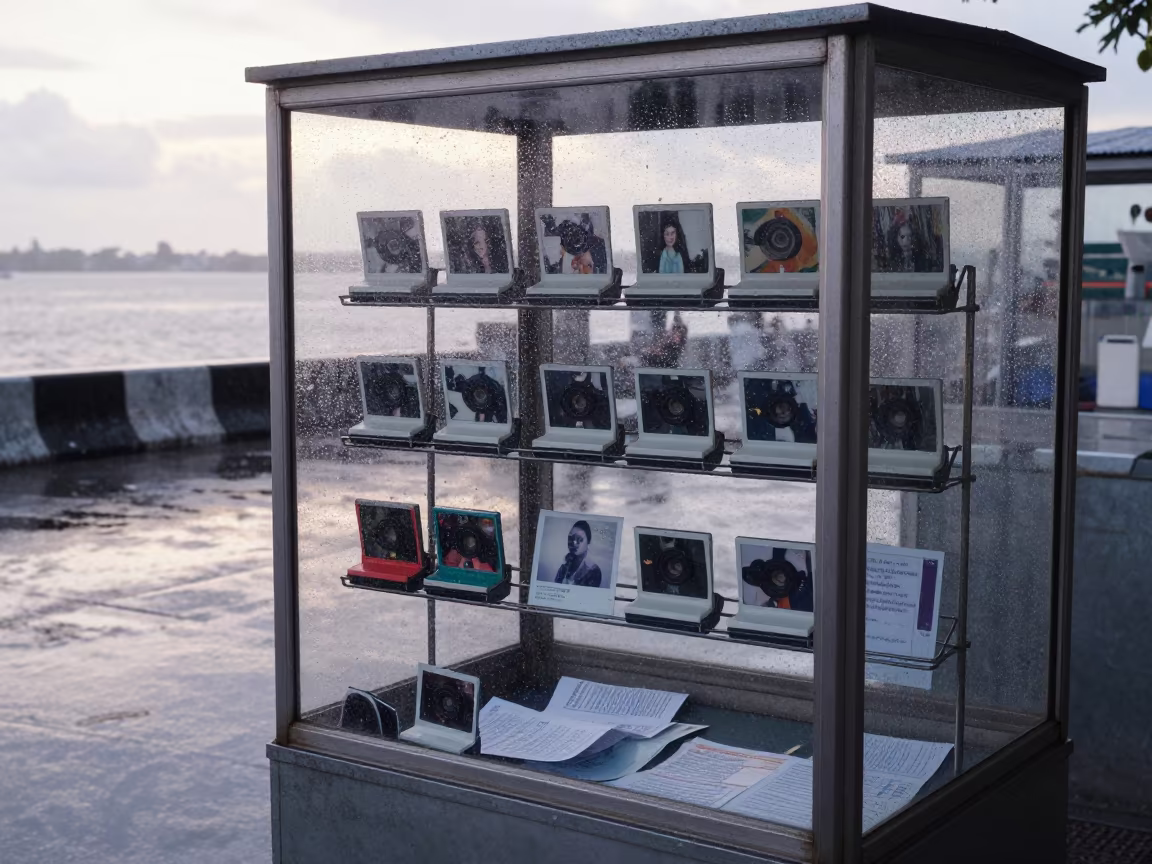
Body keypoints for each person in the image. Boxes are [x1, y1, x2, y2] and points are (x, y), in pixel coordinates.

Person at [553, 520, 603, 587]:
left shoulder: (593, 571)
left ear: (588, 541)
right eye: (571, 538)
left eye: (579, 539)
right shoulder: (563, 568)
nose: (574, 543)